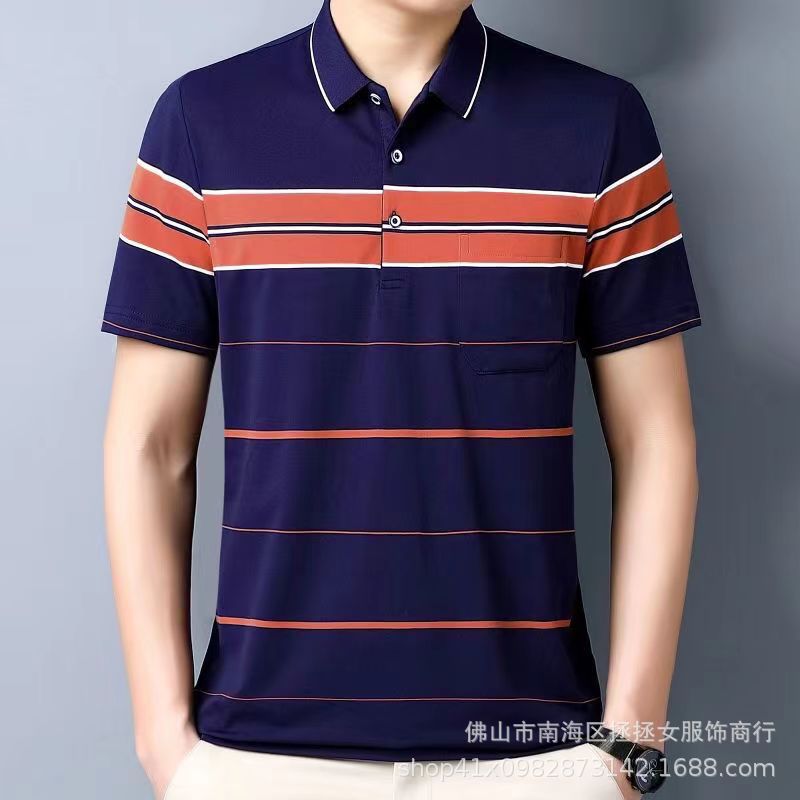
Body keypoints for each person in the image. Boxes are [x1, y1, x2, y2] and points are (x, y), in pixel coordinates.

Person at [102, 1, 700, 797]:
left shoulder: (600, 124)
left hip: (535, 761)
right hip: (256, 761)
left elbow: (656, 438)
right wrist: (164, 740)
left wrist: (631, 740)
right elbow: (150, 446)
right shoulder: (201, 121)